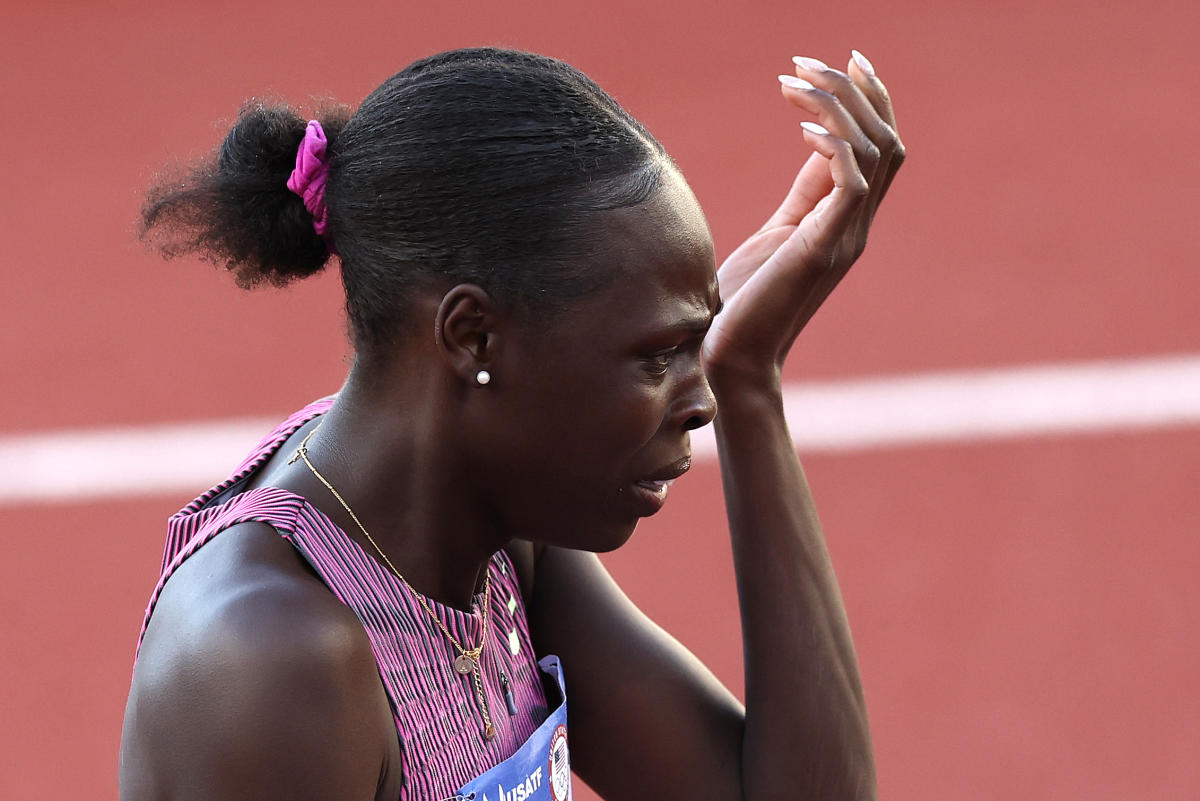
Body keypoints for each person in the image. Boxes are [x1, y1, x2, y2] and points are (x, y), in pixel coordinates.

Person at [120, 46, 904, 801]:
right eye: (657, 355)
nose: (698, 403)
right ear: (472, 338)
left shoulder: (492, 528)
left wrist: (748, 375)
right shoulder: (277, 663)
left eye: (693, 348)